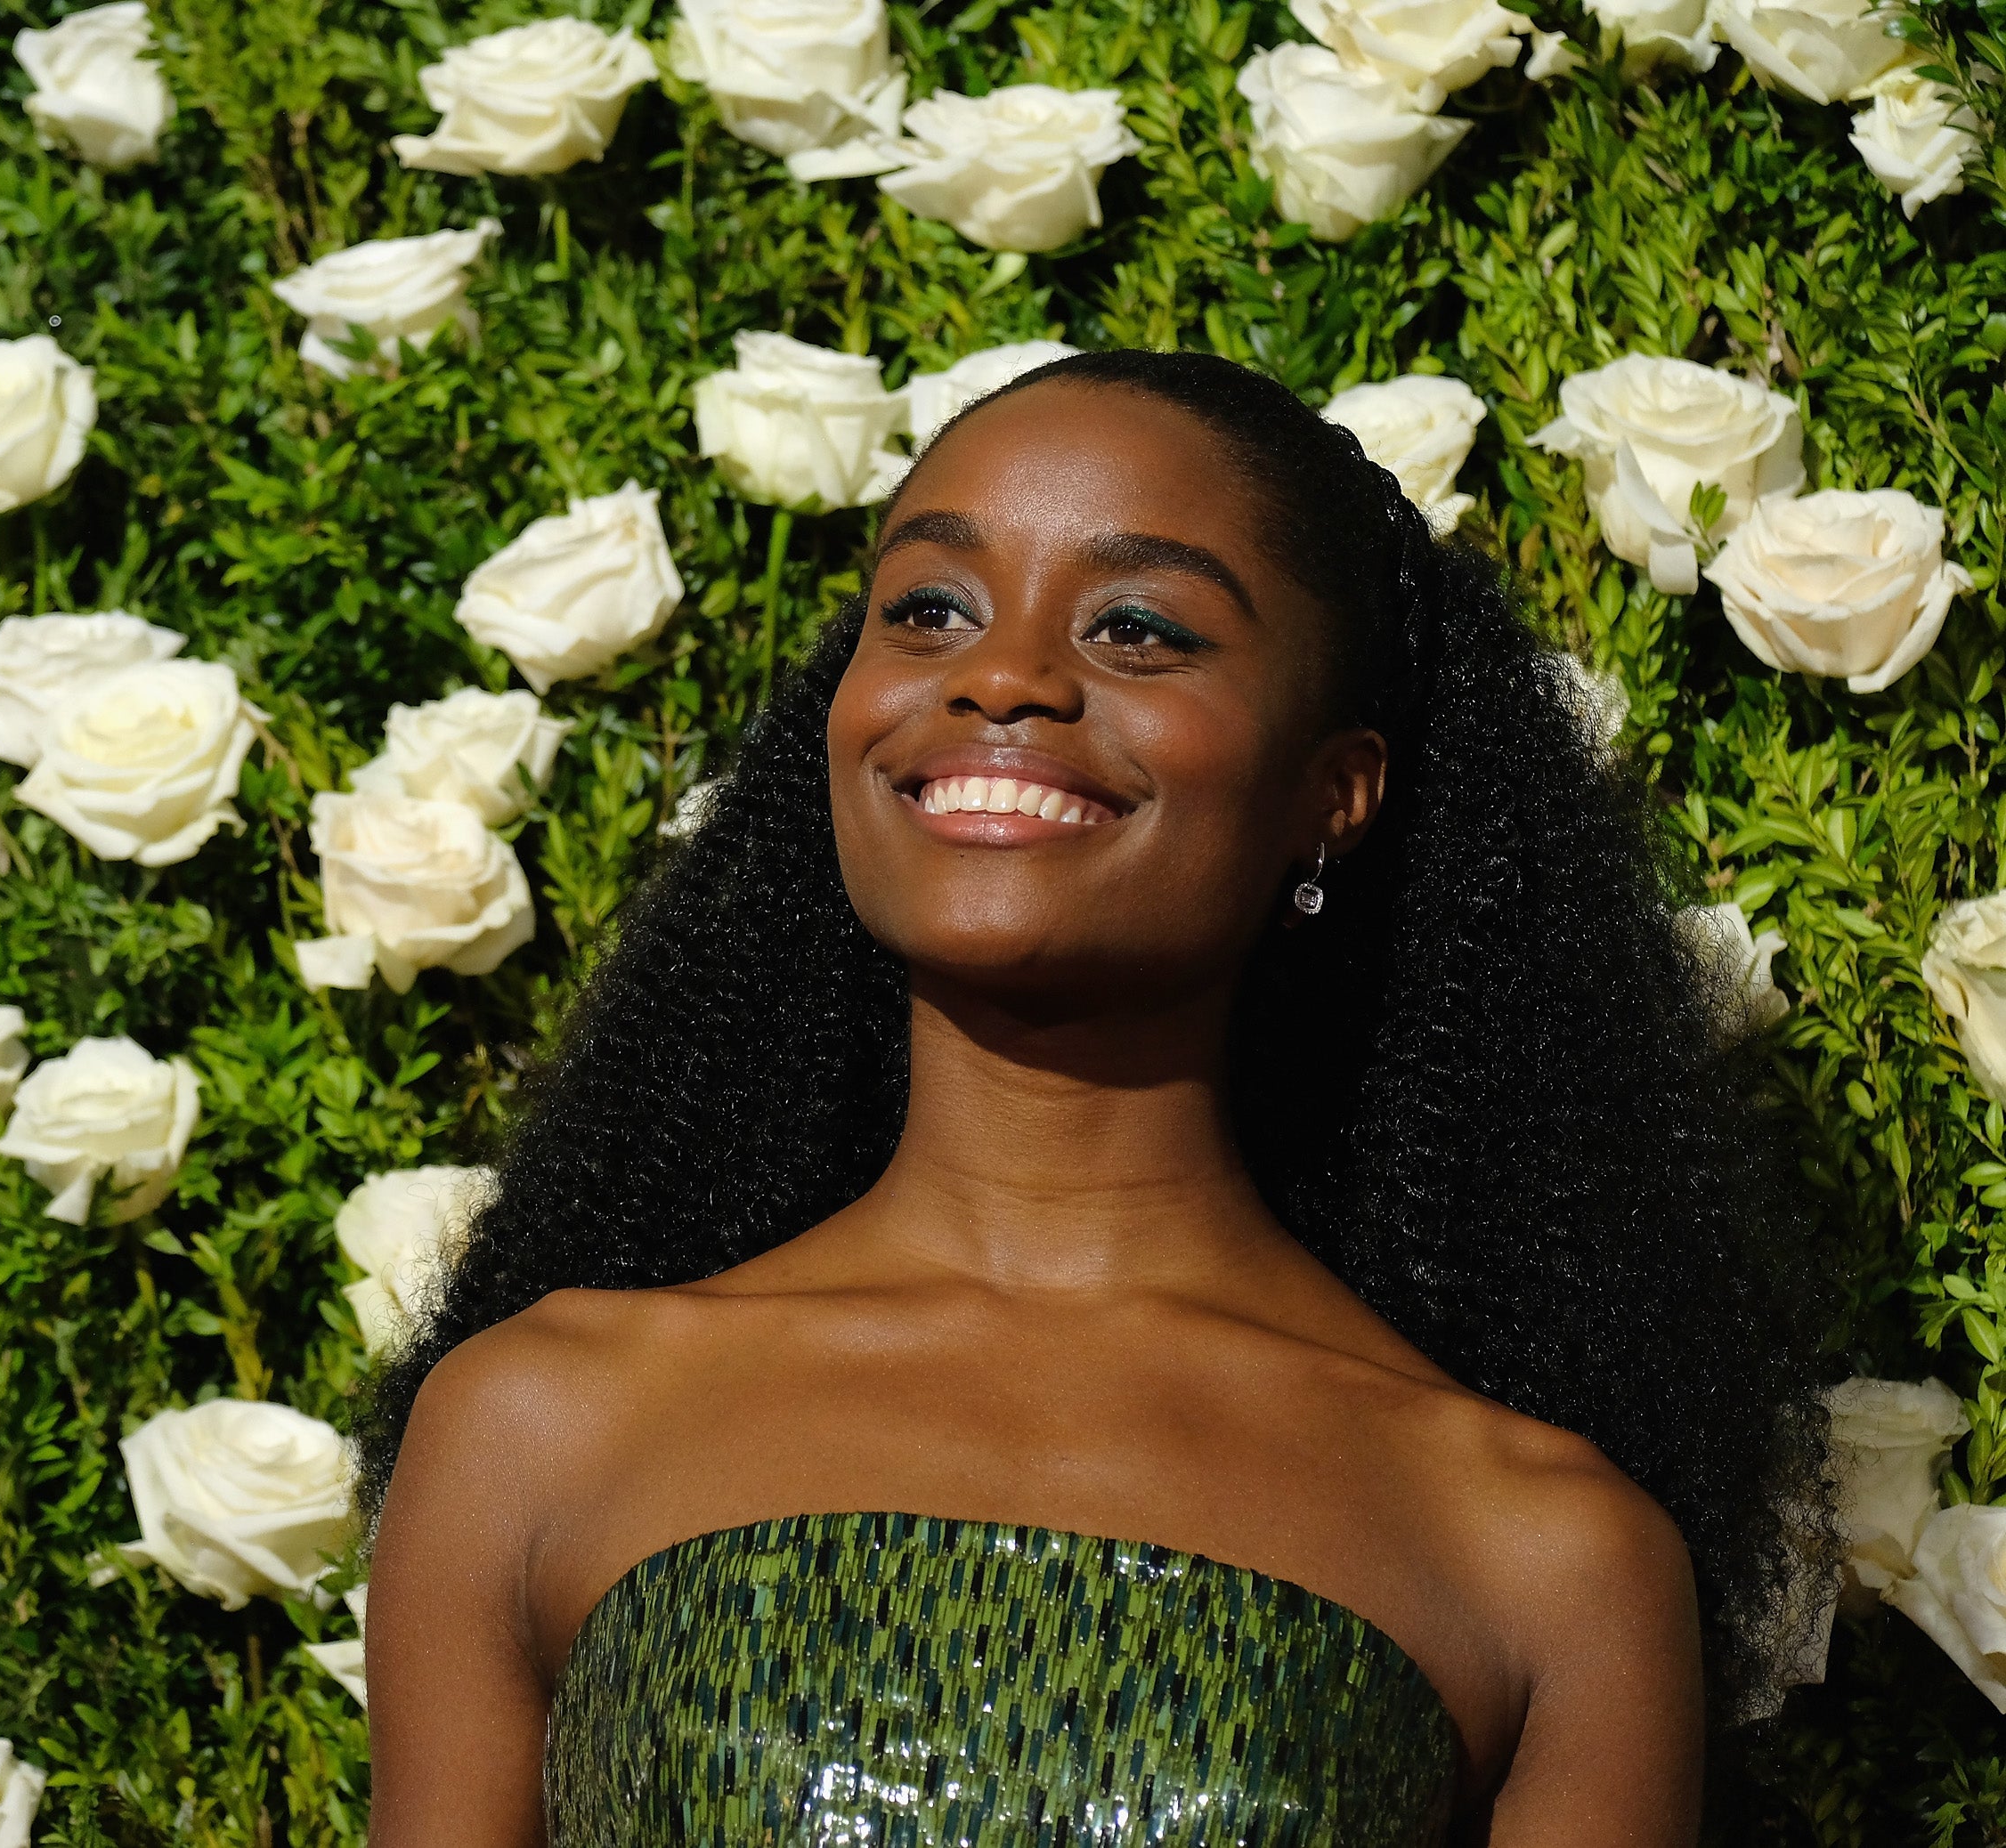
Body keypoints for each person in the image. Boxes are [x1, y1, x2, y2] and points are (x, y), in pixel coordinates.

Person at [353, 350, 1828, 1844]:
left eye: (1139, 628)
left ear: (1338, 790)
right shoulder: (537, 1423)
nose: (1000, 678)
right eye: (929, 610)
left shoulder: (1546, 1555)